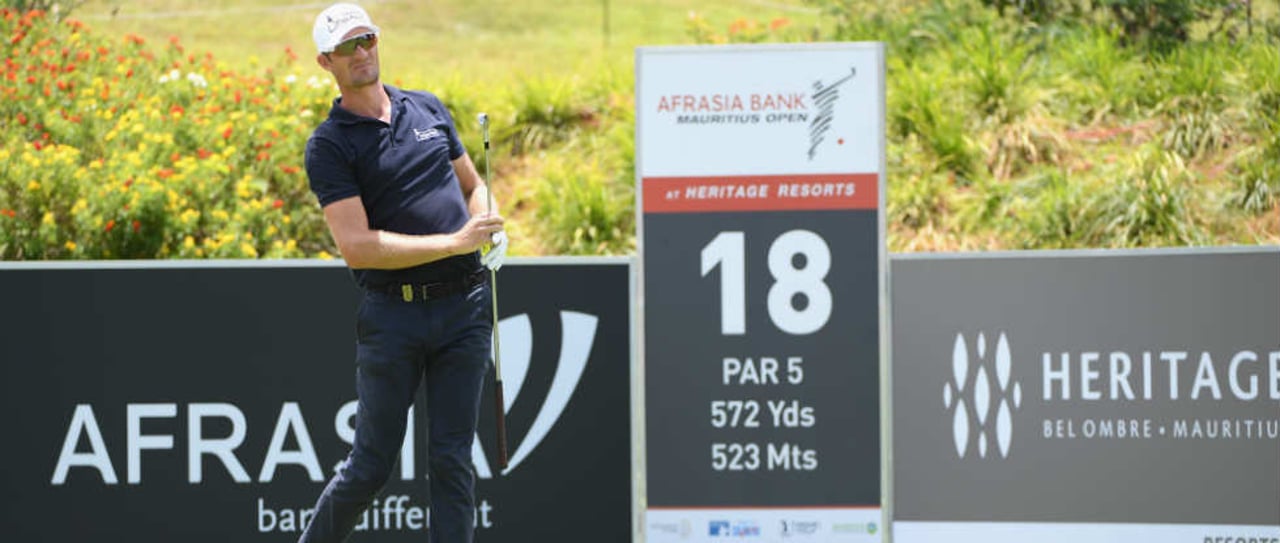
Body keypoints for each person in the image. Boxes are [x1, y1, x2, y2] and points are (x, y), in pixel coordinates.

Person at [298, 3, 507, 542]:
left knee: (452, 461)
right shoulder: (330, 144)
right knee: (369, 466)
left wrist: (487, 217)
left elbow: (471, 183)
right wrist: (455, 242)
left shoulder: (429, 109)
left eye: (366, 39)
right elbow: (357, 247)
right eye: (347, 46)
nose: (362, 52)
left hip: (465, 308)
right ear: (326, 62)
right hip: (395, 317)